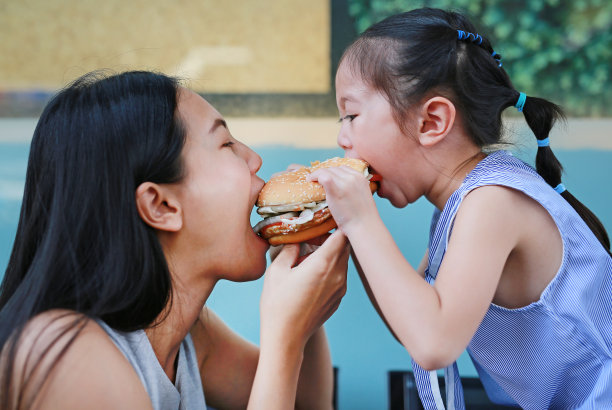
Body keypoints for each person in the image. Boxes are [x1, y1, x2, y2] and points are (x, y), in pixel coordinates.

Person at [309, 7, 612, 409]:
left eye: (351, 114)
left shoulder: (493, 202)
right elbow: (412, 327)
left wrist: (361, 221)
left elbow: (433, 343)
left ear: (432, 121)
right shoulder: (461, 205)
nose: (342, 138)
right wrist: (348, 224)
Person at [0, 70, 349, 410]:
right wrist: (283, 336)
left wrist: (303, 308)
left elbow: (305, 403)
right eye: (226, 144)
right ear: (161, 205)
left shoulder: (187, 335)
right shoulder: (64, 354)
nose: (254, 159)